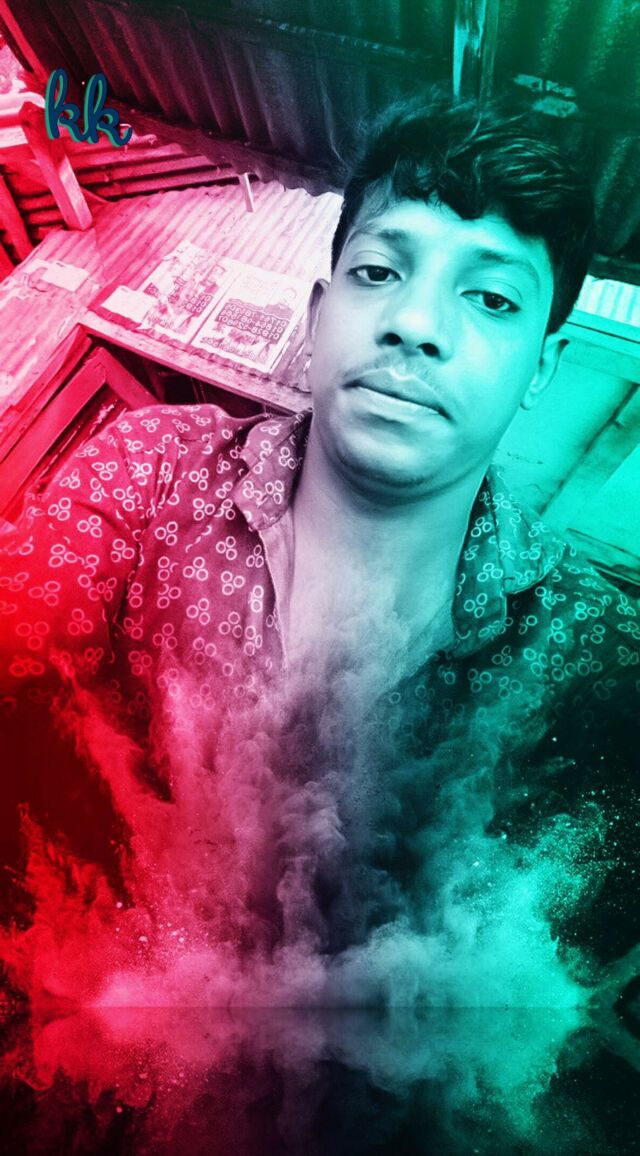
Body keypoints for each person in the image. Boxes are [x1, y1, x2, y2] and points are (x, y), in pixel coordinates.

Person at [0, 95, 638, 977]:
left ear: (542, 367)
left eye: (492, 297)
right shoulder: (152, 471)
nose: (417, 324)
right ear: (317, 315)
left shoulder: (597, 653)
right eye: (378, 272)